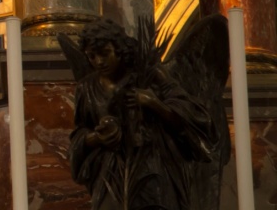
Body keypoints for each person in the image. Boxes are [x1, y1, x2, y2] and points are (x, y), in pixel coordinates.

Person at [68, 19, 214, 210]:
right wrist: (96, 137)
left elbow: (192, 116)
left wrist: (153, 103)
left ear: (119, 50)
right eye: (92, 56)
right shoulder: (86, 88)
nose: (99, 61)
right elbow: (79, 134)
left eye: (105, 54)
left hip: (151, 169)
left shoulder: (149, 76)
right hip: (110, 175)